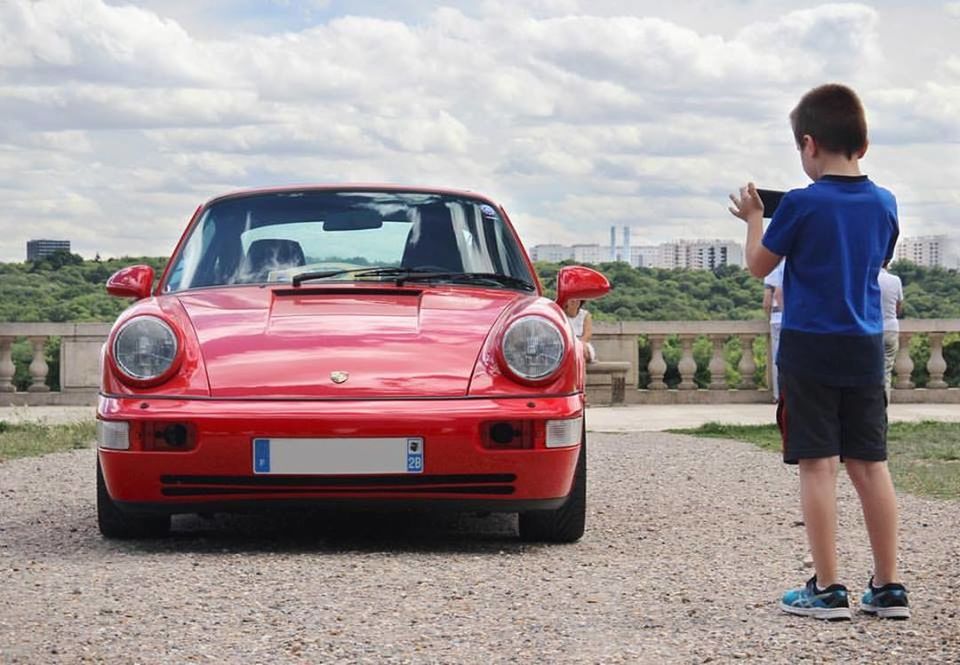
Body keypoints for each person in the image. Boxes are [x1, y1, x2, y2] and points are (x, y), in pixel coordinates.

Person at [729, 83, 909, 621]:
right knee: (871, 465)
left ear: (808, 144)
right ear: (863, 143)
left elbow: (760, 267)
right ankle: (889, 585)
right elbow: (876, 261)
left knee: (818, 465)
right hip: (863, 344)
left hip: (809, 345)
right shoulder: (885, 202)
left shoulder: (803, 204)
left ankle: (828, 587)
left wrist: (755, 219)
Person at [878, 262, 904, 403]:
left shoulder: (869, 278)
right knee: (886, 372)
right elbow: (898, 307)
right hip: (891, 328)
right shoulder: (895, 280)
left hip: (872, 329)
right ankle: (884, 408)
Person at [763, 259, 785, 403]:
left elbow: (767, 301)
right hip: (798, 318)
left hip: (777, 318)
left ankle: (778, 395)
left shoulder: (772, 266)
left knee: (778, 360)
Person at [563, 298, 596, 363]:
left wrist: (578, 344)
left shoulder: (585, 315)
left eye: (577, 300)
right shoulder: (561, 313)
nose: (575, 301)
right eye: (572, 300)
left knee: (582, 349)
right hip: (566, 344)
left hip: (581, 342)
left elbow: (587, 334)